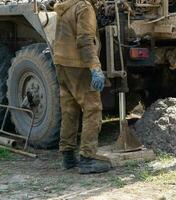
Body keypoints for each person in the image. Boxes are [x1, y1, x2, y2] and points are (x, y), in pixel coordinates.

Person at [53, 0, 110, 174]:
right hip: (79, 66)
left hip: (61, 63)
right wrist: (95, 68)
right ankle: (87, 158)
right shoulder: (84, 7)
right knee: (92, 108)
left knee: (69, 109)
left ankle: (68, 157)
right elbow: (85, 41)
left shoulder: (65, 6)